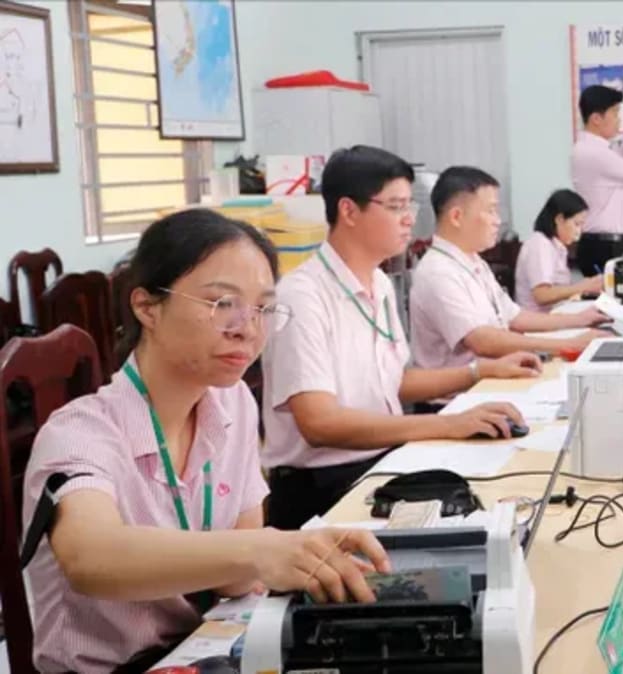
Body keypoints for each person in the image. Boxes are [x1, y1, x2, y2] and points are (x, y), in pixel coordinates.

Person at [21, 210, 392, 672]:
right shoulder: (79, 433)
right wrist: (264, 550)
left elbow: (239, 578)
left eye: (262, 308)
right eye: (222, 303)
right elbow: (90, 556)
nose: (247, 328)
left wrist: (294, 557)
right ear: (147, 307)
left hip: (203, 650)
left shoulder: (232, 402)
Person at [262, 147, 542, 531]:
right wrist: (448, 424)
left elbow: (396, 382)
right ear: (348, 211)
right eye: (395, 207)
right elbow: (320, 423)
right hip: (323, 490)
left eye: (409, 205)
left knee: (508, 506)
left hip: (380, 464)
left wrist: (481, 371)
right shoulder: (302, 297)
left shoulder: (379, 282)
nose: (409, 219)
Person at [409, 166, 609, 370]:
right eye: (491, 210)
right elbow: (482, 341)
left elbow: (514, 316)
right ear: (456, 217)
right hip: (461, 395)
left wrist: (579, 320)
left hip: (492, 375)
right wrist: (567, 345)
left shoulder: (473, 261)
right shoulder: (439, 272)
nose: (497, 221)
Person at [570, 85, 623, 275]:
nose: (619, 120)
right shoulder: (593, 152)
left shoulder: (596, 149)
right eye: (615, 113)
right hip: (602, 246)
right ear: (596, 119)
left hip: (606, 244)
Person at [515, 189, 603, 311]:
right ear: (559, 219)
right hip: (539, 322)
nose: (579, 231)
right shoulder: (540, 245)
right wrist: (582, 287)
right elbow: (542, 295)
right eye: (577, 224)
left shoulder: (556, 247)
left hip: (553, 316)